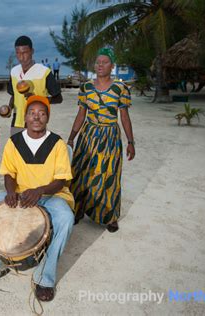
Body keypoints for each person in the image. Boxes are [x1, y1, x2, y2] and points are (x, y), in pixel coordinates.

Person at [0, 95, 74, 302]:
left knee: (66, 217)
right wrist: (11, 192)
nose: (36, 117)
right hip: (20, 195)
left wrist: (40, 191)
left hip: (51, 196)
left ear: (47, 117)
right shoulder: (14, 142)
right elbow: (9, 173)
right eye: (32, 113)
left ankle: (44, 278)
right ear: (25, 117)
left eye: (42, 113)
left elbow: (62, 181)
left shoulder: (57, 144)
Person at [67, 47, 135, 233]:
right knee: (81, 172)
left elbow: (124, 117)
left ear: (112, 66)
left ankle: (110, 217)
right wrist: (71, 138)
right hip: (88, 135)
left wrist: (130, 142)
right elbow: (81, 114)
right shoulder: (86, 87)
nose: (100, 65)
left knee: (109, 174)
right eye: (98, 62)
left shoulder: (120, 88)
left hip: (110, 136)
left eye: (104, 62)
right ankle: (77, 210)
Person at [7, 35, 63, 136]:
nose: (21, 57)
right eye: (18, 53)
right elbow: (14, 95)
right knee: (16, 149)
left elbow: (59, 98)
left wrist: (37, 99)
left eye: (25, 52)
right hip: (17, 121)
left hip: (37, 121)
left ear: (32, 51)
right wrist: (9, 108)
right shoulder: (14, 72)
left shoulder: (43, 72)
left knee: (35, 150)